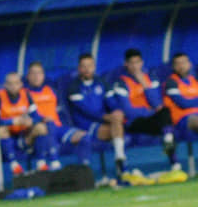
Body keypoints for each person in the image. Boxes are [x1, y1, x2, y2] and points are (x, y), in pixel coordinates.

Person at [67, 53, 146, 183]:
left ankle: (120, 160)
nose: (87, 69)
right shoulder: (74, 86)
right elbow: (85, 111)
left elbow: (112, 101)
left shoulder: (101, 82)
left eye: (90, 66)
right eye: (84, 66)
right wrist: (106, 117)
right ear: (79, 68)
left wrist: (117, 111)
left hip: (103, 122)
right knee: (116, 123)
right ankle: (121, 165)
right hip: (85, 125)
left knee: (117, 118)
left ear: (94, 67)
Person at [110, 48, 185, 180]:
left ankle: (174, 164)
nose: (135, 66)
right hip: (135, 122)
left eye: (137, 62)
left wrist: (144, 84)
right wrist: (149, 111)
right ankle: (173, 159)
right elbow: (128, 110)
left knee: (165, 111)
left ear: (142, 63)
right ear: (126, 64)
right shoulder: (121, 83)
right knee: (164, 120)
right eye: (131, 63)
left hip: (152, 119)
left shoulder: (150, 78)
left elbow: (157, 103)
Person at [25, 61, 93, 167]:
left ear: (43, 75)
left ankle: (84, 170)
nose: (36, 76)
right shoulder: (24, 93)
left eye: (39, 73)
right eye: (33, 73)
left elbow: (61, 112)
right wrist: (40, 119)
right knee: (48, 126)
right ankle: (54, 164)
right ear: (28, 76)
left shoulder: (51, 90)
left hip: (57, 128)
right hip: (40, 130)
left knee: (85, 137)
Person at [0, 71, 57, 175]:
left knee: (41, 127)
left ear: (21, 84)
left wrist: (31, 121)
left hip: (25, 134)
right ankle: (14, 165)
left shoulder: (26, 94)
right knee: (0, 131)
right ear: (5, 85)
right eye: (10, 83)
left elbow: (36, 116)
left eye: (16, 83)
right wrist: (12, 121)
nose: (13, 86)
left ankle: (41, 163)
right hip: (9, 133)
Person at [162, 52, 198, 153]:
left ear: (189, 64)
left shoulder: (194, 81)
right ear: (173, 67)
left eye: (184, 63)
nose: (181, 66)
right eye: (178, 64)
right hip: (182, 119)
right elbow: (183, 103)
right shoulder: (171, 83)